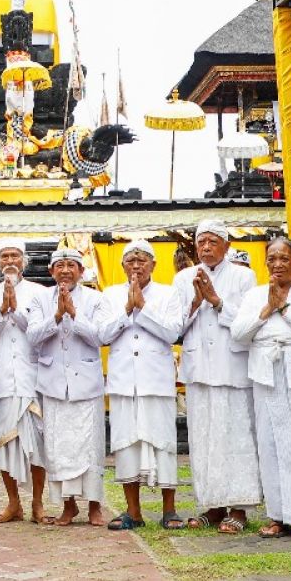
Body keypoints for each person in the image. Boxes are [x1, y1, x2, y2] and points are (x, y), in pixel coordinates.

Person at [231, 237, 291, 541]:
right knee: (271, 445)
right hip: (267, 376)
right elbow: (238, 334)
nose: (277, 264)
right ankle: (278, 517)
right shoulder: (255, 295)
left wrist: (284, 308)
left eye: (284, 258)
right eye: (272, 258)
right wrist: (265, 310)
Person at [172, 219, 261, 534]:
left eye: (212, 241)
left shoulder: (243, 276)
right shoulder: (183, 279)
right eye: (201, 242)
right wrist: (194, 304)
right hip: (199, 371)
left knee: (235, 438)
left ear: (226, 245)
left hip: (232, 370)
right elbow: (173, 328)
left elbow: (250, 323)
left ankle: (239, 508)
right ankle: (211, 506)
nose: (206, 247)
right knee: (203, 439)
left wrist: (216, 300)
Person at [97, 240, 185, 531]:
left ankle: (169, 510)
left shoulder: (169, 294)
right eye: (131, 260)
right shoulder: (109, 295)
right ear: (122, 265)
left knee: (164, 442)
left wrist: (143, 308)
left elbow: (172, 332)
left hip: (156, 380)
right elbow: (102, 335)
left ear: (153, 265)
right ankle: (132, 512)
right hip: (124, 382)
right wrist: (126, 309)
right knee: (126, 444)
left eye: (143, 260)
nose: (136, 265)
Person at [26, 247, 106, 527]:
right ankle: (68, 506)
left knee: (91, 447)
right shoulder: (39, 299)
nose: (65, 270)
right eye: (59, 265)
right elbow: (33, 337)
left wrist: (75, 314)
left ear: (81, 272)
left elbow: (100, 337)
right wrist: (57, 316)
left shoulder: (96, 299)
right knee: (58, 449)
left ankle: (95, 506)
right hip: (53, 384)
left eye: (71, 265)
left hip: (87, 384)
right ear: (51, 271)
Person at [0, 238, 47, 524]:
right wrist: (2, 311)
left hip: (32, 378)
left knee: (38, 443)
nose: (9, 261)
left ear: (24, 261)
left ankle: (38, 503)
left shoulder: (40, 293)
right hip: (1, 379)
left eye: (15, 256)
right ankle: (13, 503)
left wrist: (15, 312)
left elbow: (41, 333)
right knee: (4, 443)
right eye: (4, 256)